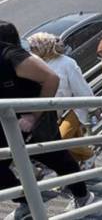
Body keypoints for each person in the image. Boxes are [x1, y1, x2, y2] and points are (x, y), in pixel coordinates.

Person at [1, 21, 95, 217]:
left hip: (35, 119)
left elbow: (51, 78)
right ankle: (26, 204)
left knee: (56, 159)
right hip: (9, 121)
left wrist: (34, 115)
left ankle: (83, 197)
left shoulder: (11, 55)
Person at [27, 32, 97, 170]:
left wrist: (93, 108)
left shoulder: (67, 63)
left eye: (34, 48)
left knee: (62, 140)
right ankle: (78, 170)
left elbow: (80, 86)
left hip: (73, 108)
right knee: (71, 142)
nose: (31, 51)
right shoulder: (36, 64)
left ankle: (89, 155)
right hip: (53, 113)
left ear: (44, 47)